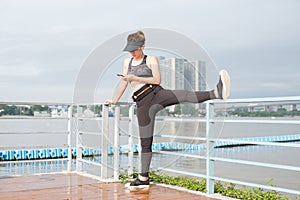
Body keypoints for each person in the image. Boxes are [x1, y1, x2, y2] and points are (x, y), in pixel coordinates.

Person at [105, 30, 230, 190]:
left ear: (142, 46)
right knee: (145, 141)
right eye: (130, 49)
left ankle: (216, 93)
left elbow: (157, 80)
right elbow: (123, 83)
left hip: (156, 94)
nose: (131, 52)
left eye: (134, 49)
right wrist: (114, 100)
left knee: (184, 94)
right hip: (142, 103)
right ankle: (143, 178)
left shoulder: (151, 59)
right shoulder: (127, 63)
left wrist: (135, 78)